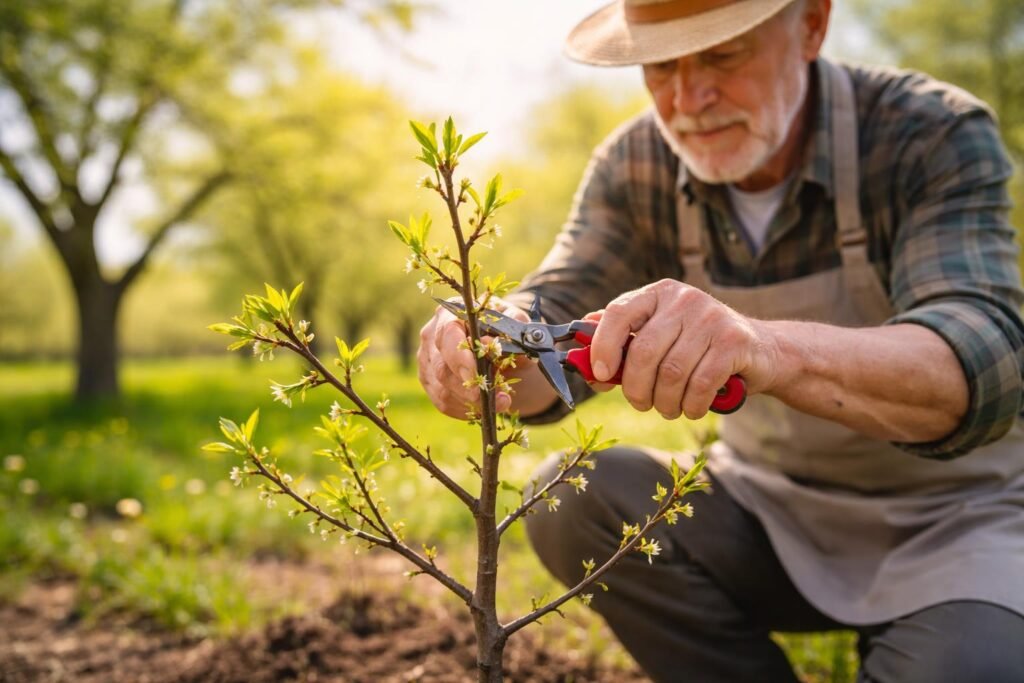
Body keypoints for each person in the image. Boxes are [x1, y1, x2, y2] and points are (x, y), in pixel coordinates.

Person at [417, 0, 1024, 680]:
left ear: (813, 25)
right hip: (768, 515)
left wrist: (767, 349)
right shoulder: (636, 162)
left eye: (722, 54)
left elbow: (984, 359)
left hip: (958, 522)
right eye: (662, 64)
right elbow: (554, 305)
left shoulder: (927, 132)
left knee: (967, 666)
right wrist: (488, 349)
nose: (689, 99)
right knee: (576, 497)